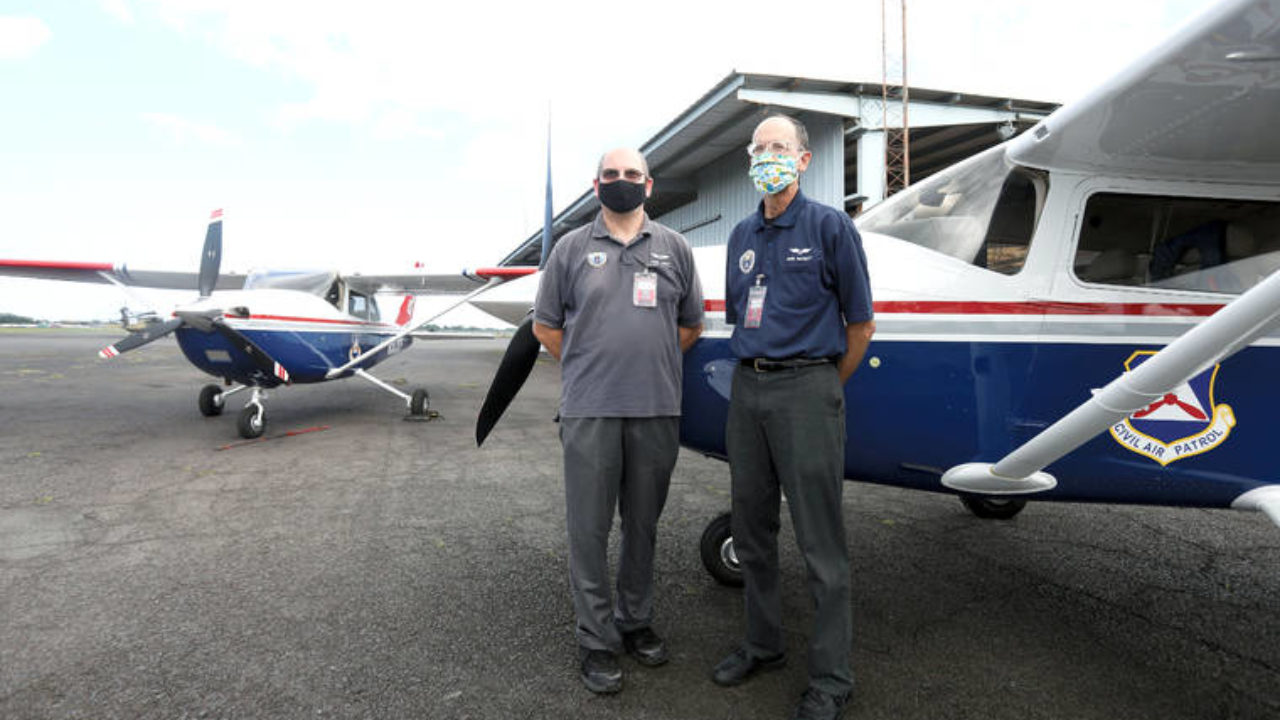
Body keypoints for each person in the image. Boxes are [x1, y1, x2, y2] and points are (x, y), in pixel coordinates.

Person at [711, 115, 875, 720]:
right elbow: (740, 314)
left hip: (808, 389)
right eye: (758, 147)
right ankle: (763, 643)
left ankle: (832, 678)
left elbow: (861, 326)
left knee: (819, 542)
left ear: (803, 160)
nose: (766, 155)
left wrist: (822, 388)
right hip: (747, 390)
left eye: (779, 146)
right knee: (752, 531)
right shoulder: (741, 236)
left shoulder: (829, 226)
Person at [532, 148, 705, 694]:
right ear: (597, 183)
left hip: (656, 408)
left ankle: (635, 622)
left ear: (649, 185)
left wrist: (643, 362)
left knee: (643, 527)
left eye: (632, 175)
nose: (622, 182)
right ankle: (596, 641)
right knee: (589, 531)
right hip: (590, 409)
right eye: (612, 175)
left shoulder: (675, 248)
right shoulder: (570, 249)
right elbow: (546, 327)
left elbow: (691, 326)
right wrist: (591, 364)